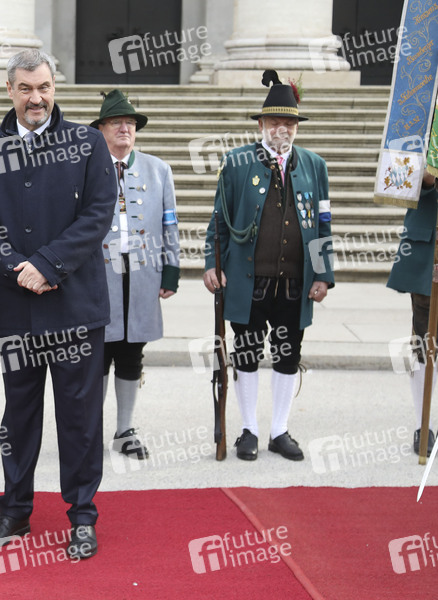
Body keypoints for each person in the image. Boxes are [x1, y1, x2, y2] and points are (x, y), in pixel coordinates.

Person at [0, 49, 116, 559]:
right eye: (26, 88)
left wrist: (47, 265)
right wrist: (15, 267)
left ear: (55, 88)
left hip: (75, 308)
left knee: (80, 418)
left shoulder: (88, 143)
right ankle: (15, 510)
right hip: (16, 309)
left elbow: (98, 214)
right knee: (19, 417)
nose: (36, 98)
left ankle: (82, 516)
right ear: (10, 90)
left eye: (44, 87)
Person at [202, 70, 334, 462]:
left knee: (288, 354)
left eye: (289, 123)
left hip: (295, 281)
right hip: (248, 279)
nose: (283, 129)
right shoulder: (236, 162)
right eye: (275, 121)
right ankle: (249, 430)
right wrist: (212, 263)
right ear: (261, 124)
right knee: (246, 353)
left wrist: (323, 274)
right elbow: (219, 220)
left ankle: (279, 430)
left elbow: (323, 224)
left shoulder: (314, 165)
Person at [93, 89, 180, 459]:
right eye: (116, 122)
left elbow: (170, 222)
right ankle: (90, 431)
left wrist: (171, 270)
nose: (124, 128)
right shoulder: (86, 168)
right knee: (97, 356)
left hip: (142, 273)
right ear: (101, 129)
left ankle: (125, 430)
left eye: (129, 122)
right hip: (98, 276)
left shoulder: (158, 169)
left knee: (132, 354)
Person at [387, 172, 438, 454]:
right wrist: (425, 180)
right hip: (428, 247)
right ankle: (423, 424)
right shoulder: (419, 139)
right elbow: (396, 180)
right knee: (424, 344)